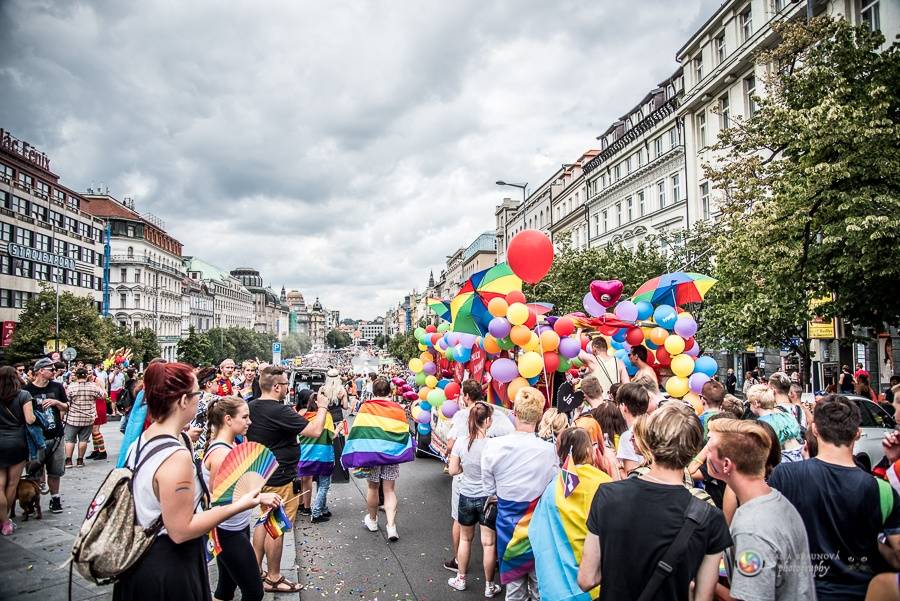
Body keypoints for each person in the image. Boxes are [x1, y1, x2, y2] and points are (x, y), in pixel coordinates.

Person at [114, 362, 274, 601]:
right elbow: (180, 530)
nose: (202, 399)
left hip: (140, 559)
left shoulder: (144, 440)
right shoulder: (176, 456)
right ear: (182, 401)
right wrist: (241, 504)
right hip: (168, 564)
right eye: (198, 393)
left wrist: (185, 438)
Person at [578, 403, 732, 601]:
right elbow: (703, 597)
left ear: (648, 442)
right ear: (694, 450)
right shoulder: (711, 517)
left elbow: (587, 579)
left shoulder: (608, 495)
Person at [769, 395, 900, 601]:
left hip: (799, 592)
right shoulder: (880, 490)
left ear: (814, 430)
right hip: (860, 592)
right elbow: (897, 557)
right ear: (857, 434)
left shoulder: (784, 476)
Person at [706, 418, 815, 600]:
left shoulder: (752, 529)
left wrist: (699, 582)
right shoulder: (773, 501)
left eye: (709, 450)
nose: (705, 456)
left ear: (726, 464)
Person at [248, 366, 327, 594]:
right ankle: (273, 577)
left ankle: (256, 571)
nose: (287, 388)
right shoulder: (279, 410)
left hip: (261, 473)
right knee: (277, 526)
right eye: (284, 384)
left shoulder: (252, 406)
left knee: (264, 521)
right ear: (276, 387)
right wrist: (322, 407)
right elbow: (314, 430)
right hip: (280, 476)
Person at [481, 387, 558, 601]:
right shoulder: (549, 451)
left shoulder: (493, 446)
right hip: (538, 524)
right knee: (539, 586)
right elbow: (553, 485)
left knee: (514, 589)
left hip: (508, 524)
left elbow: (488, 489)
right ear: (540, 416)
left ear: (514, 412)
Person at [202, 396, 281, 601]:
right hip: (228, 532)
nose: (250, 421)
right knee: (254, 592)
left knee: (226, 588)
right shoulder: (221, 454)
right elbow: (219, 502)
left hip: (235, 527)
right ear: (228, 419)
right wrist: (259, 497)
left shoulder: (228, 446)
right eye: (245, 417)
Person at [531, 427, 612, 601]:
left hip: (558, 585)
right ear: (589, 450)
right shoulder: (606, 484)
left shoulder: (553, 487)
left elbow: (537, 532)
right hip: (595, 582)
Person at [443, 379, 513, 573]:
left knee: (460, 522)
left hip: (465, 481)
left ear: (466, 396)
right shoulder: (498, 415)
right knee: (490, 528)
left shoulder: (460, 416)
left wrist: (453, 458)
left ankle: (459, 563)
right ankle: (492, 573)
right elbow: (510, 440)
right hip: (491, 480)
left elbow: (450, 446)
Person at [447, 401, 501, 597]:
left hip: (466, 495)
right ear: (486, 421)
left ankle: (460, 578)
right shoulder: (494, 444)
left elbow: (452, 470)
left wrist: (463, 469)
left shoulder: (461, 442)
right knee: (488, 543)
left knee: (465, 538)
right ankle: (489, 586)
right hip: (488, 499)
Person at [353, 377, 410, 542]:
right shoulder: (397, 408)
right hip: (391, 454)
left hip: (372, 455)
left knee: (372, 487)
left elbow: (359, 430)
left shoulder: (366, 407)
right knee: (389, 490)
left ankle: (372, 520)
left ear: (374, 391)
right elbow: (403, 429)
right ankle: (391, 526)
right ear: (390, 391)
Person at [25, 357, 69, 513]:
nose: (54, 371)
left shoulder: (57, 387)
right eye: (51, 369)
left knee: (55, 470)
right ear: (40, 371)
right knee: (34, 471)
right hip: (36, 438)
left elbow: (66, 406)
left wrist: (56, 403)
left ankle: (55, 499)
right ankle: (32, 501)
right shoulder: (27, 390)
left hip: (56, 435)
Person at [0, 366, 36, 535]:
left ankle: (3, 520)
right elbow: (30, 419)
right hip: (17, 442)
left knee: (0, 484)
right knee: (12, 484)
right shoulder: (24, 395)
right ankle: (6, 522)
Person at [296, 390, 334, 523]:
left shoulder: (302, 416)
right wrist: (339, 428)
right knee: (324, 484)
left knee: (306, 481)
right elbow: (331, 436)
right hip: (323, 456)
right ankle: (317, 512)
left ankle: (322, 508)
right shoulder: (325, 416)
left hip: (305, 455)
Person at [747, 384, 804, 463]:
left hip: (780, 466)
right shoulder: (787, 416)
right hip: (799, 460)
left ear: (756, 403)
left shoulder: (761, 425)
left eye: (749, 403)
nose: (749, 406)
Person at [63, 368, 101, 467]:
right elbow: (102, 395)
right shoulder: (92, 387)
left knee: (70, 440)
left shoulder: (71, 387)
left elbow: (66, 401)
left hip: (73, 418)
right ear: (86, 376)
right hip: (88, 418)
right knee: (83, 440)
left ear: (76, 376)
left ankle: (68, 461)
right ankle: (80, 460)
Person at [615, 382, 650, 474]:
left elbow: (630, 476)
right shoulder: (654, 425)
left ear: (623, 407)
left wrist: (617, 467)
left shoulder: (628, 436)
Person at [190, 367, 219, 459]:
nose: (218, 385)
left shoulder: (190, 398)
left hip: (191, 444)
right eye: (216, 382)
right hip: (209, 446)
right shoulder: (217, 400)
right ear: (209, 383)